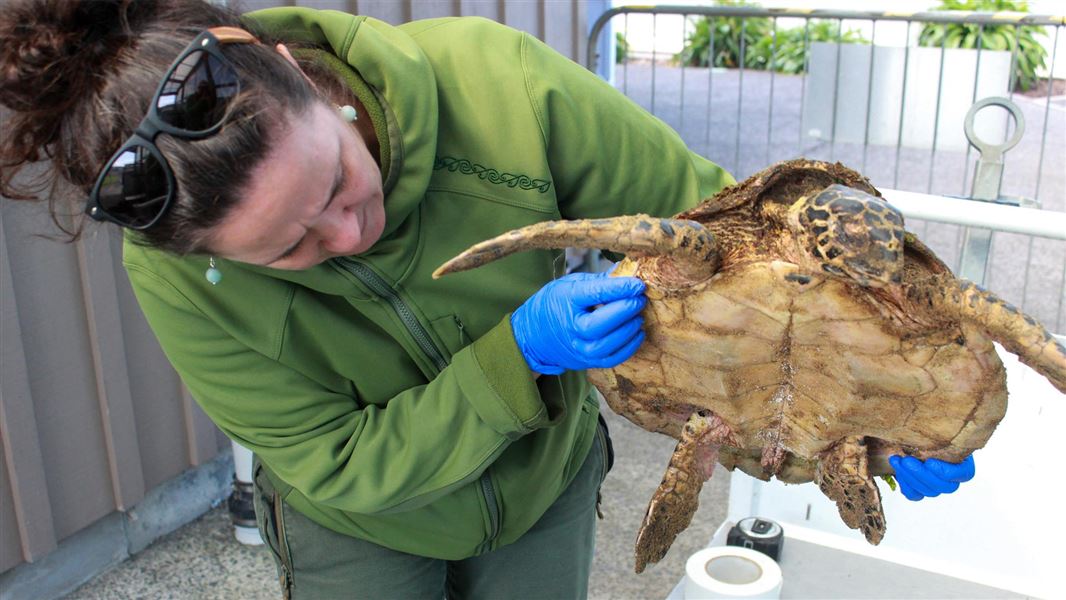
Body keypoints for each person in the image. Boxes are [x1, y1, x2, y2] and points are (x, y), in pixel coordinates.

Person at [0, 0, 975, 597]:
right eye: (290, 250)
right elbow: (340, 464)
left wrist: (873, 420)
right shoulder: (177, 280)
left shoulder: (493, 84)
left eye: (340, 182)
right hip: (364, 529)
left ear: (300, 73)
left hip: (542, 480)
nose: (348, 235)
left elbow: (733, 246)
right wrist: (515, 360)